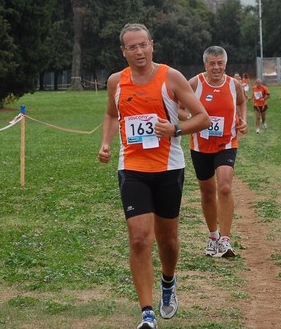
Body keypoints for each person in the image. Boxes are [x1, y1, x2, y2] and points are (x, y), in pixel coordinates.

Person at [98, 23, 210, 329]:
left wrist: (175, 128)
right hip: (132, 168)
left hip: (168, 168)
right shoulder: (115, 82)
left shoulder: (170, 77)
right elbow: (111, 113)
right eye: (131, 47)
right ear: (123, 51)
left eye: (143, 45)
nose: (138, 51)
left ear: (152, 45)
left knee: (168, 241)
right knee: (138, 239)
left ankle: (168, 282)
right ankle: (147, 313)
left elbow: (203, 118)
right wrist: (106, 143)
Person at [182, 47, 248, 258]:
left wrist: (242, 119)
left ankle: (225, 240)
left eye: (220, 63)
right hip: (200, 146)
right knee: (208, 192)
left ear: (225, 65)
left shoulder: (233, 84)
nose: (216, 67)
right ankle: (213, 236)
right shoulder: (194, 84)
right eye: (212, 63)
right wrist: (194, 118)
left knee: (225, 187)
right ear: (205, 65)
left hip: (227, 142)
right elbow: (177, 107)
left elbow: (241, 101)